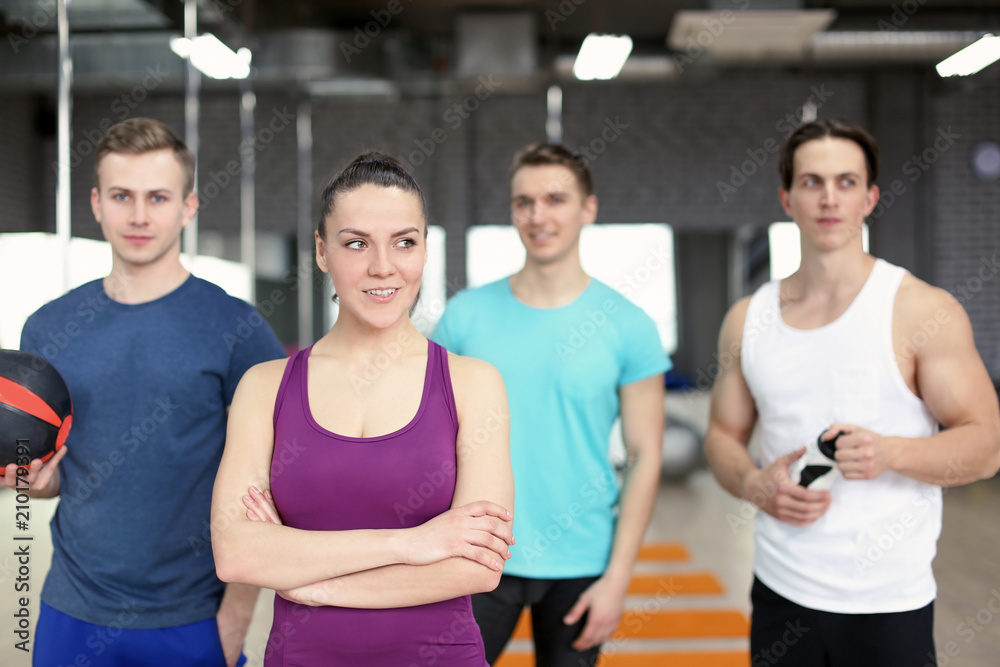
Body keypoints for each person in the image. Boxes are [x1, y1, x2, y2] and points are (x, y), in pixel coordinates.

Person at [704, 118, 1000, 666]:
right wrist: (752, 483)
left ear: (870, 198)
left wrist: (891, 452)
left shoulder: (921, 310)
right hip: (779, 594)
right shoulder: (748, 319)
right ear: (786, 198)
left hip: (888, 605)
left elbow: (986, 448)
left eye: (846, 182)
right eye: (812, 182)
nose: (828, 198)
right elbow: (723, 434)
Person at [210, 152, 515, 666]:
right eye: (356, 243)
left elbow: (477, 566)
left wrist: (310, 582)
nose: (383, 266)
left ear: (423, 250)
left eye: (404, 242)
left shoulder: (472, 384)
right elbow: (237, 554)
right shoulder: (265, 387)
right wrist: (413, 543)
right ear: (322, 251)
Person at [2, 118, 286, 666]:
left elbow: (273, 476)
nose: (137, 215)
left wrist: (236, 618)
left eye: (157, 197)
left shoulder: (237, 328)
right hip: (73, 609)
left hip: (195, 618)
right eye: (121, 196)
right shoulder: (48, 327)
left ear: (188, 206)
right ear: (96, 203)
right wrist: (32, 481)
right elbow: (56, 472)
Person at [431, 143, 670, 665]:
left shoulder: (628, 325)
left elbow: (645, 455)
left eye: (556, 199)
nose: (538, 216)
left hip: (582, 561)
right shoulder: (466, 317)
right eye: (524, 202)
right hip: (478, 550)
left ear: (588, 209)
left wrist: (619, 576)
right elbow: (430, 439)